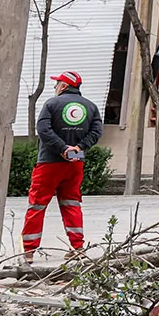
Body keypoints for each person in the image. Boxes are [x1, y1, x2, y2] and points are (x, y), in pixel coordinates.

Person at [24, 71, 103, 260]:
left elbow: (43, 129)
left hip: (49, 162)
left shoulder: (51, 104)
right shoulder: (91, 107)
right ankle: (78, 248)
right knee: (71, 204)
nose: (55, 86)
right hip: (76, 162)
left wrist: (62, 148)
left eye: (57, 83)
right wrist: (78, 147)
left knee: (37, 204)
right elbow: (97, 131)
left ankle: (28, 251)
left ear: (64, 86)